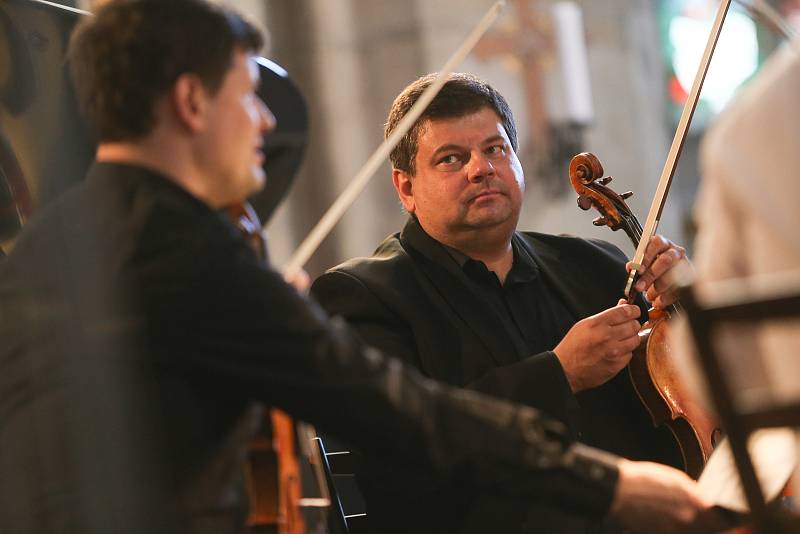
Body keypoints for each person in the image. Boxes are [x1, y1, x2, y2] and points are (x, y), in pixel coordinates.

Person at [0, 1, 710, 533]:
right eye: (247, 94)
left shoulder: (48, 246)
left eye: (495, 150)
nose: (265, 121)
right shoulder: (187, 253)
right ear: (191, 103)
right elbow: (397, 413)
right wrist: (610, 487)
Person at [311, 73, 692, 532]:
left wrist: (683, 306)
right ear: (406, 188)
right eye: (451, 158)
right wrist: (559, 373)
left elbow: (687, 399)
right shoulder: (361, 296)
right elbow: (396, 450)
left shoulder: (596, 265)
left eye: (494, 149)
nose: (481, 168)